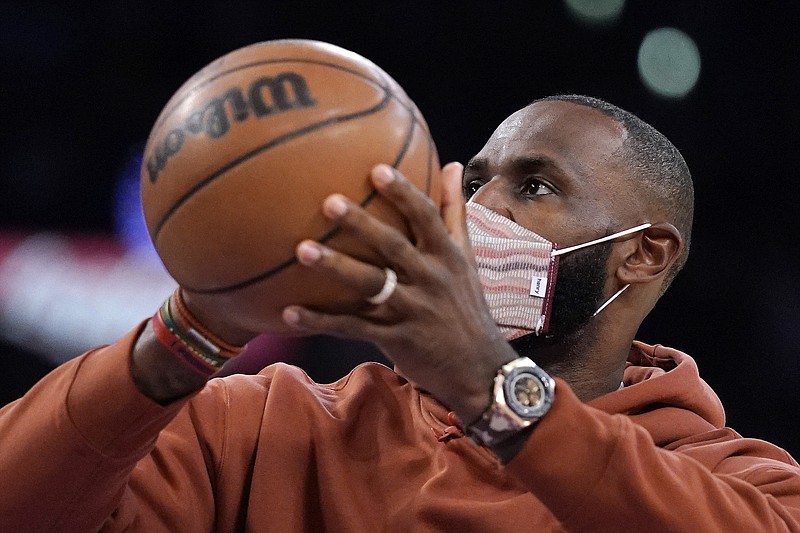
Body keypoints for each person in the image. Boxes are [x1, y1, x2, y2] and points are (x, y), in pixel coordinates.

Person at [2, 95, 800, 532]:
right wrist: (189, 330)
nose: (478, 207)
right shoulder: (271, 425)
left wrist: (493, 389)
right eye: (477, 179)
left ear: (645, 253)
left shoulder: (745, 482)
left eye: (535, 186)